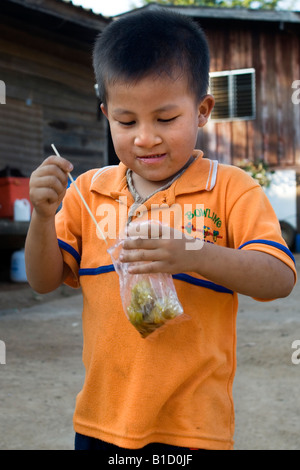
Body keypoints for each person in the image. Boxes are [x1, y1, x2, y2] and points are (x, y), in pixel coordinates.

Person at [25, 8, 296, 452]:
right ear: (106, 115)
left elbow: (279, 279)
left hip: (193, 429)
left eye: (165, 119)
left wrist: (193, 252)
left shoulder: (229, 188)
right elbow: (41, 280)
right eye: (126, 121)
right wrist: (41, 215)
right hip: (100, 421)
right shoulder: (89, 192)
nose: (145, 138)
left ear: (203, 110)